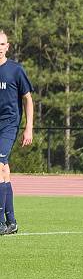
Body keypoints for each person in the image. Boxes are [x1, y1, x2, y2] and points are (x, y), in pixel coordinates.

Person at [0, 30, 33, 236]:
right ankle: (11, 221)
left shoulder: (15, 70)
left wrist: (28, 127)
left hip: (9, 125)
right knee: (4, 170)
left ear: (7, 46)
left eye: (2, 44)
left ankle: (0, 223)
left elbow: (28, 99)